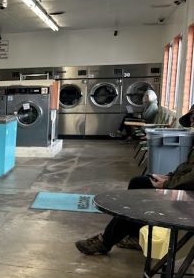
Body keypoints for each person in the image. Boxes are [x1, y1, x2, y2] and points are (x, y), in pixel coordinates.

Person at [76, 106, 194, 255]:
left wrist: (166, 184)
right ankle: (134, 235)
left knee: (136, 201)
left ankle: (105, 241)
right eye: (191, 120)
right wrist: (169, 176)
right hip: (183, 187)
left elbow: (191, 179)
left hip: (188, 198)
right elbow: (187, 168)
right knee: (137, 183)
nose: (192, 123)